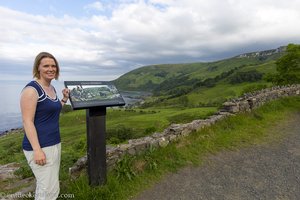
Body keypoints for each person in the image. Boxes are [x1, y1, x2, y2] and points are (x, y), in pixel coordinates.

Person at [20, 52, 69, 200]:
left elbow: (52, 111)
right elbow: (27, 122)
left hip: (54, 143)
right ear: (38, 68)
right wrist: (37, 150)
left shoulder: (51, 88)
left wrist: (64, 99)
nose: (51, 69)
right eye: (46, 65)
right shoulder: (31, 90)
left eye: (53, 66)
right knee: (48, 190)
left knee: (51, 188)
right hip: (40, 147)